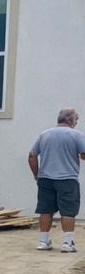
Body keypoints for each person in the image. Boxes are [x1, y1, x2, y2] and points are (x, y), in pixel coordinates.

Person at [29, 107, 85, 253]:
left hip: (46, 179)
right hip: (67, 179)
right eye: (76, 119)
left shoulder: (44, 135)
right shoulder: (76, 135)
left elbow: (32, 155)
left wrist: (36, 175)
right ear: (70, 120)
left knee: (46, 210)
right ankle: (67, 243)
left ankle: (43, 240)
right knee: (68, 211)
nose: (76, 122)